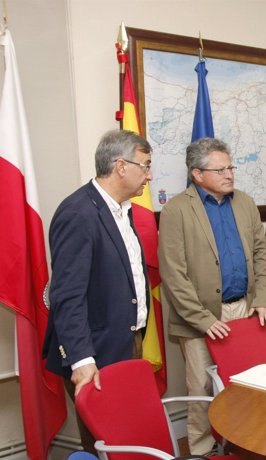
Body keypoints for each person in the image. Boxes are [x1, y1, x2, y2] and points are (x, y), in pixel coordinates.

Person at [158, 138, 266, 455]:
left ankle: (244, 440)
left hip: (244, 309)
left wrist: (263, 299)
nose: (229, 174)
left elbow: (261, 255)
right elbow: (173, 273)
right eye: (220, 169)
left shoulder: (245, 203)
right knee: (202, 387)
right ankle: (201, 449)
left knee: (246, 382)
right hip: (201, 317)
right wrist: (203, 319)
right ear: (198, 174)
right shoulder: (177, 210)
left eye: (230, 167)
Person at [43, 129, 153, 453]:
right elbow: (67, 295)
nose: (150, 175)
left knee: (127, 440)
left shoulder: (121, 209)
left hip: (126, 342)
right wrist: (81, 361)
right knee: (102, 445)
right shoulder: (78, 213)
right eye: (145, 166)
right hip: (95, 354)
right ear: (121, 166)